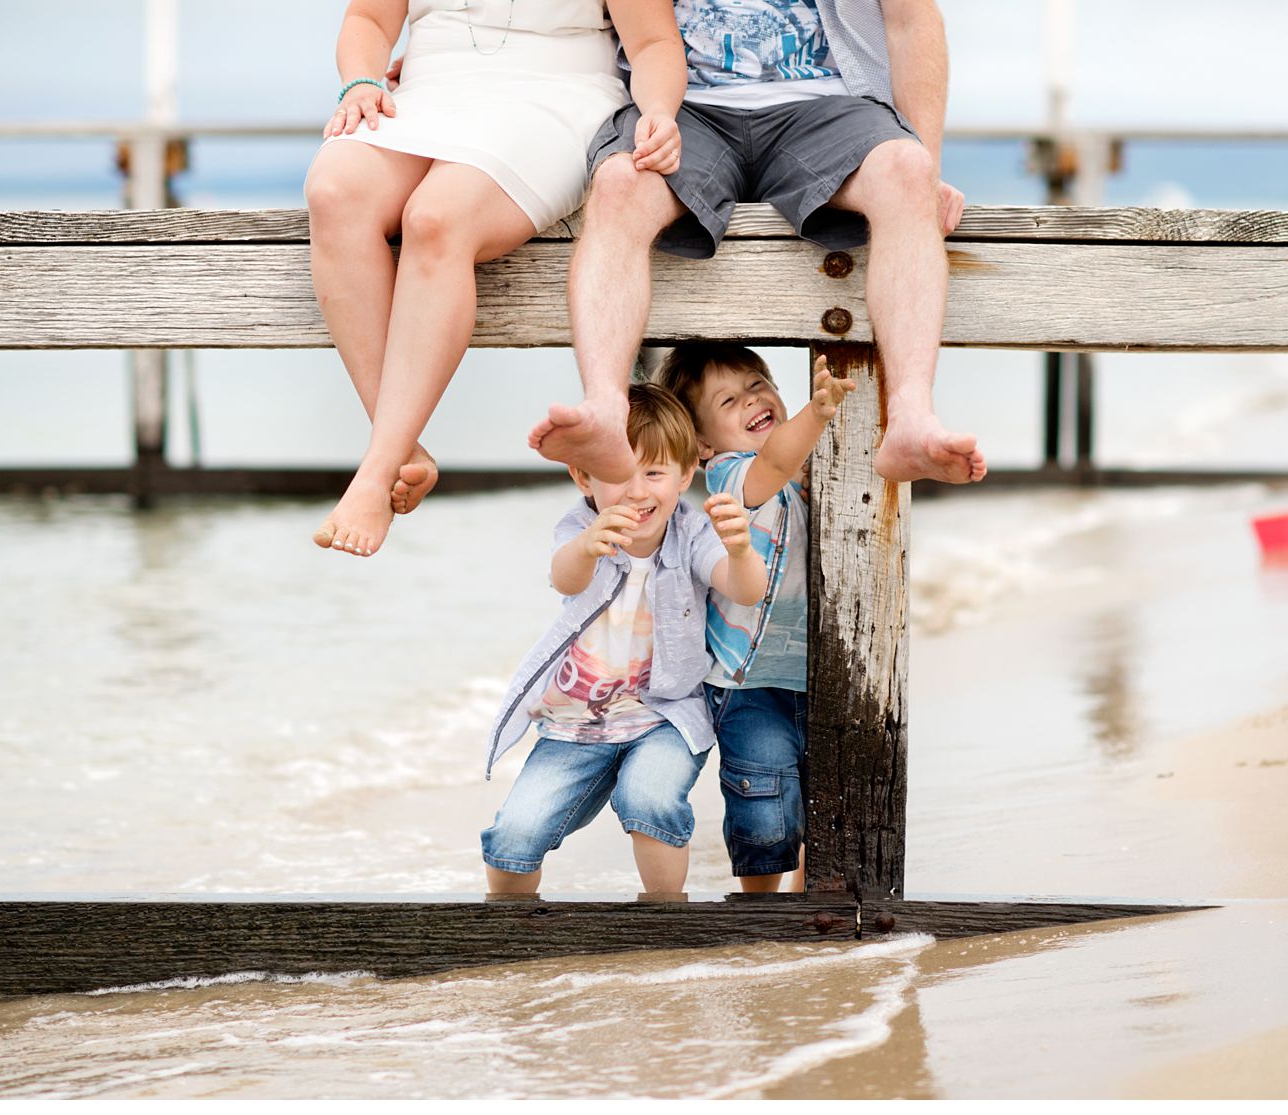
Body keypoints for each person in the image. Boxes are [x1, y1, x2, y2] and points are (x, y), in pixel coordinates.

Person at [528, 0, 988, 488]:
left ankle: (911, 417)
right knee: (620, 183)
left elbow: (912, 20)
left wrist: (926, 167)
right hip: (687, 110)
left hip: (827, 105)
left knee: (907, 171)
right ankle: (604, 408)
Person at [306, 0, 685, 557]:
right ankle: (401, 448)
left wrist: (658, 111)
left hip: (555, 97)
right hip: (429, 93)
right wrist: (360, 80)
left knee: (436, 218)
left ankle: (375, 471)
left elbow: (654, 42)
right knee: (334, 191)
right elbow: (368, 19)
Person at [481, 384, 766, 895]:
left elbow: (743, 589)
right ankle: (506, 928)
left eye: (654, 473)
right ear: (583, 477)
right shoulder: (580, 527)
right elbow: (565, 580)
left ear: (684, 475)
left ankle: (662, 915)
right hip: (575, 722)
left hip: (664, 715)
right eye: (617, 475)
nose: (636, 491)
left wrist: (742, 551)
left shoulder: (693, 533)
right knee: (514, 834)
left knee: (651, 799)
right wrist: (587, 547)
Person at [656, 343, 854, 892]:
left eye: (757, 383)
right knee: (764, 808)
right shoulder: (729, 476)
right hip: (749, 681)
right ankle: (760, 910)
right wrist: (816, 412)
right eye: (729, 400)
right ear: (702, 444)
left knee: (828, 799)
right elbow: (773, 463)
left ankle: (810, 904)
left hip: (816, 671)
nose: (752, 400)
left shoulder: (815, 468)